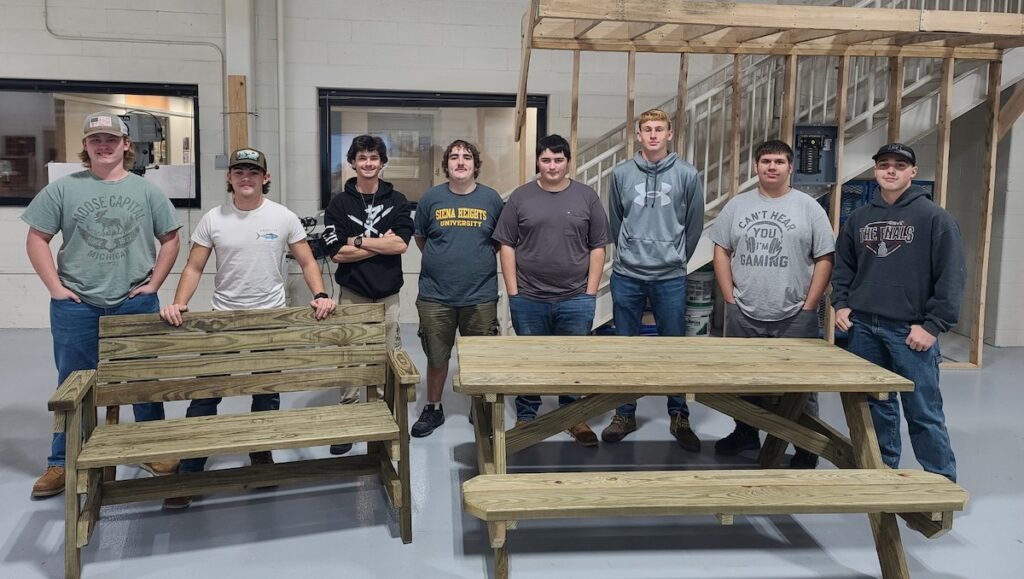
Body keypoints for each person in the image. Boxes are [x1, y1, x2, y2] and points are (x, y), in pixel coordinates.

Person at [158, 147, 336, 508]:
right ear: (229, 177)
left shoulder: (282, 217)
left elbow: (306, 259)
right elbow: (193, 267)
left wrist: (320, 294)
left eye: (253, 172)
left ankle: (260, 453)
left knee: (266, 392)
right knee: (206, 394)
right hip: (223, 318)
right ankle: (191, 467)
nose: (245, 178)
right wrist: (179, 302)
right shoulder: (213, 219)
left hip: (270, 318)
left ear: (265, 178)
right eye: (239, 171)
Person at [22, 111, 181, 498]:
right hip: (77, 304)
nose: (104, 145)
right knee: (73, 384)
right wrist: (55, 288)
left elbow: (171, 238)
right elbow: (37, 238)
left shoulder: (146, 191)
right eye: (96, 140)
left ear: (126, 145)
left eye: (112, 139)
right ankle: (61, 462)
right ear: (86, 146)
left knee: (143, 382)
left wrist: (154, 284)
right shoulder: (64, 189)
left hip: (133, 302)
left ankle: (152, 449)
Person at [833, 143, 965, 482]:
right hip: (863, 327)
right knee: (876, 406)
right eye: (884, 165)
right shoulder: (860, 218)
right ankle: (882, 471)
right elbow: (843, 266)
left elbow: (951, 276)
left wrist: (933, 326)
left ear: (912, 172)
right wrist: (842, 303)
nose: (891, 171)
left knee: (923, 410)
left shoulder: (935, 218)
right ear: (875, 170)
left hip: (910, 332)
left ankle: (940, 483)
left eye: (900, 165)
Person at [709, 140, 835, 468]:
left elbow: (825, 257)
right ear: (756, 166)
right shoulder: (738, 206)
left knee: (801, 385)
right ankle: (746, 431)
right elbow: (721, 249)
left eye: (779, 161)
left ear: (790, 168)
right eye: (766, 161)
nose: (772, 167)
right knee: (743, 379)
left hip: (794, 313)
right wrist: (729, 298)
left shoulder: (809, 207)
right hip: (744, 311)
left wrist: (810, 305)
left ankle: (805, 444)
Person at [492, 134, 610, 446]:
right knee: (530, 360)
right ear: (538, 162)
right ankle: (527, 415)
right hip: (529, 298)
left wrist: (590, 292)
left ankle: (573, 417)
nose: (552, 166)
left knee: (572, 362)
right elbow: (506, 245)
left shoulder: (587, 197)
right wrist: (513, 292)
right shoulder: (521, 197)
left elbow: (599, 247)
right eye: (546, 160)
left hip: (575, 298)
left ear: (569, 162)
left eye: (558, 160)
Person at [601, 108, 704, 451]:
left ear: (670, 134)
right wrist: (629, 252)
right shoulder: (621, 174)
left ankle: (679, 414)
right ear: (638, 135)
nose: (654, 135)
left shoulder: (688, 174)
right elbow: (616, 220)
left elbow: (694, 224)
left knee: (673, 349)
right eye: (648, 129)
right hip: (627, 274)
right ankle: (624, 412)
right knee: (625, 349)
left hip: (670, 276)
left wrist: (675, 258)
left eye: (660, 129)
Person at [323, 135, 413, 454]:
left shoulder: (398, 200)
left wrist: (358, 241)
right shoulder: (339, 204)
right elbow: (335, 253)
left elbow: (401, 244)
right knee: (350, 356)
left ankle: (386, 417)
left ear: (382, 162)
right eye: (362, 158)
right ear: (352, 162)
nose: (368, 163)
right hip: (353, 292)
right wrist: (379, 245)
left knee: (388, 355)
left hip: (388, 293)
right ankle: (349, 418)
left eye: (374, 157)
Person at [410, 140, 503, 437]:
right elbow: (421, 239)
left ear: (475, 164)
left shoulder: (491, 200)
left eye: (466, 157)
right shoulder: (430, 199)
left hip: (480, 295)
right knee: (437, 357)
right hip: (436, 296)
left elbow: (500, 242)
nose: (460, 162)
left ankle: (480, 407)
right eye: (454, 157)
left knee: (479, 357)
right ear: (446, 165)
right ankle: (433, 408)